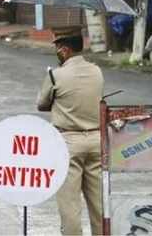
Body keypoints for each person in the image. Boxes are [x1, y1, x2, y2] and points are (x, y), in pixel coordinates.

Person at [37, 27, 104, 236]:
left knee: (70, 205)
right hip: (96, 140)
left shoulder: (55, 75)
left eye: (57, 47)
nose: (56, 52)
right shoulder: (97, 71)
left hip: (68, 143)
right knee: (99, 203)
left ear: (64, 49)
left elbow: (41, 104)